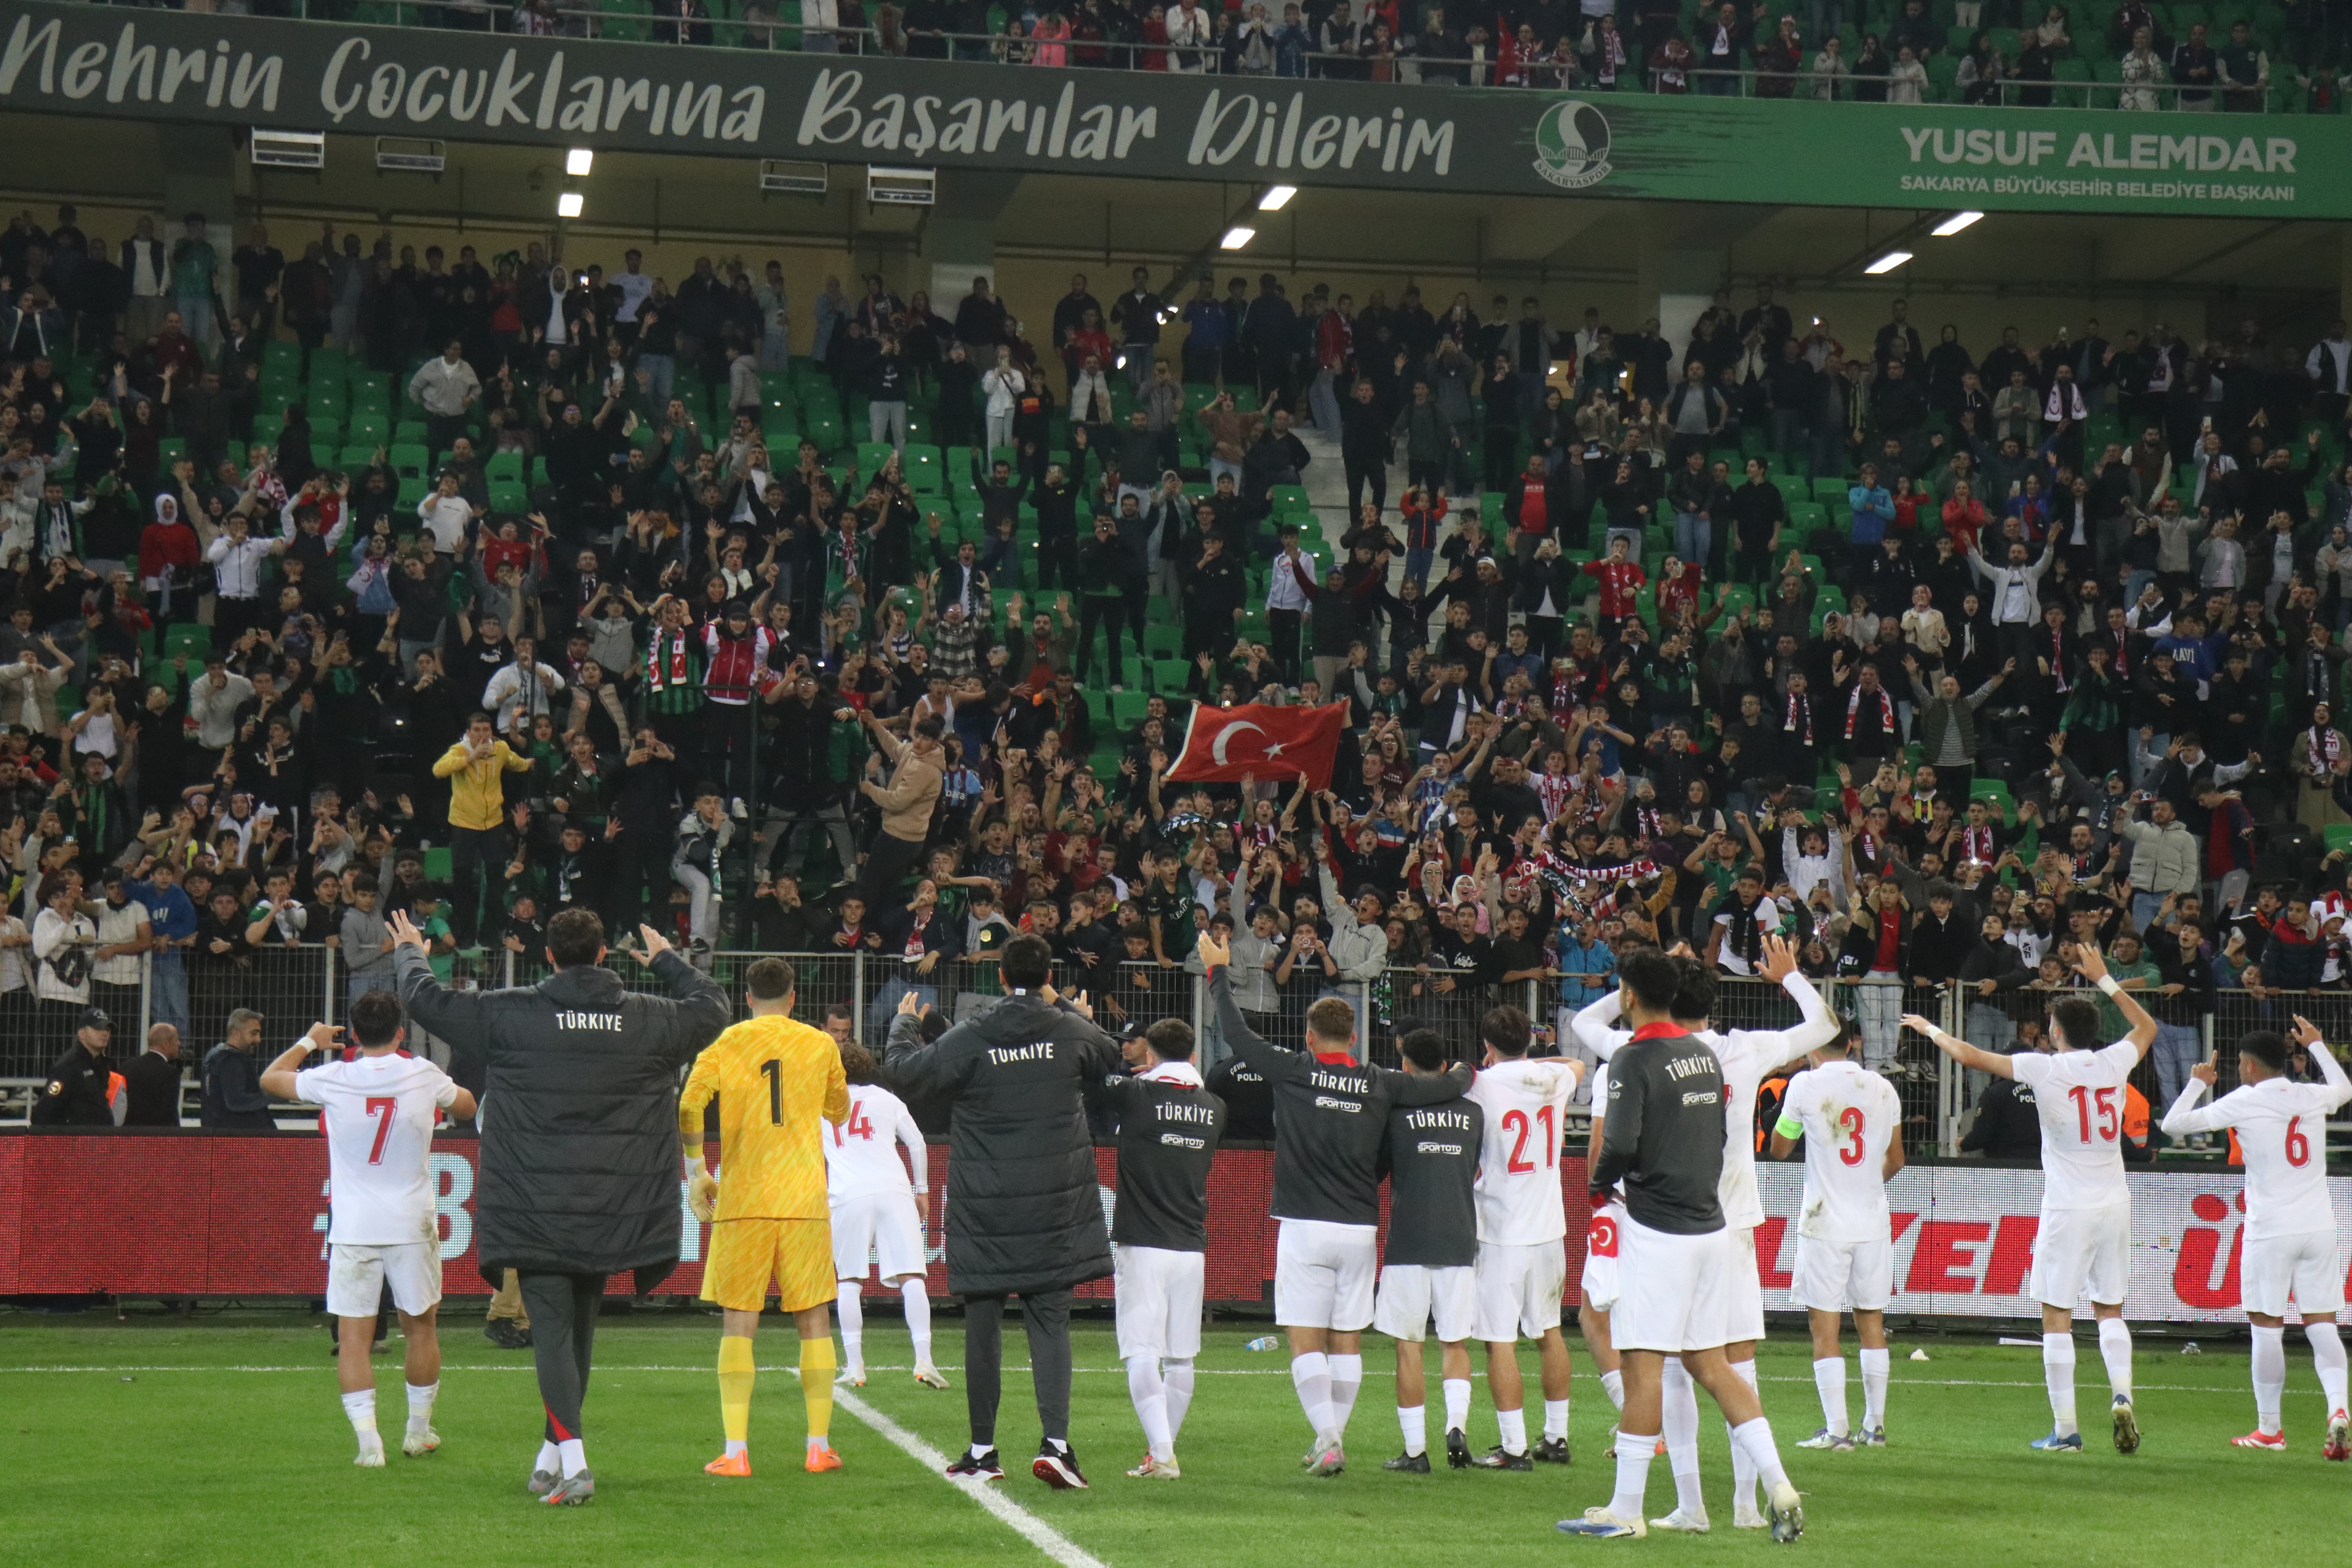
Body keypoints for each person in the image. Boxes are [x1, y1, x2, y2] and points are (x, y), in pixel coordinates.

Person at [390, 906, 728, 1505]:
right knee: (577, 1338)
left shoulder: (510, 1013)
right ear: (604, 955)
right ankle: (551, 1457)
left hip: (536, 1206)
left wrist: (413, 949)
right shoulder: (648, 1018)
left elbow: (424, 999)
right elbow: (714, 1008)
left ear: (549, 956)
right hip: (612, 1207)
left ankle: (575, 1463)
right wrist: (668, 961)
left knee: (552, 1336)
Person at [1572, 933, 1837, 1530]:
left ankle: (1685, 1506)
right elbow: (1823, 1025)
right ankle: (1752, 1500)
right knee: (1727, 1362)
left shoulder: (1634, 1047)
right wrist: (1790, 976)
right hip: (1730, 1223)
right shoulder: (1741, 1050)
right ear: (1712, 1001)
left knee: (1659, 1367)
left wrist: (1640, 979)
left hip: (1662, 1220)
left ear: (1645, 996)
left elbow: (1585, 1023)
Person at [1197, 929, 1472, 1477]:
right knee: (1346, 1338)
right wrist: (1470, 1068)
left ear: (1309, 1035)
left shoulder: (1295, 1070)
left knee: (1304, 1335)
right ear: (1353, 1036)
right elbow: (1444, 1086)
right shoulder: (1381, 1083)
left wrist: (1218, 975)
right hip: (1359, 1229)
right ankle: (1332, 1439)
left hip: (1304, 1224)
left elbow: (1236, 1034)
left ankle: (1328, 1437)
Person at [879, 933, 1124, 1489]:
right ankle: (1057, 1446)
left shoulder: (975, 1035)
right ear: (1047, 978)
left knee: (983, 1326)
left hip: (985, 1207)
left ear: (998, 976)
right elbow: (1115, 1056)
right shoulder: (1068, 1029)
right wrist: (1067, 1007)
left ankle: (983, 1452)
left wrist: (902, 1023)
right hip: (1055, 1205)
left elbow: (904, 1072)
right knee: (1050, 1321)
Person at [1904, 941, 2156, 1455]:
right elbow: (2147, 1028)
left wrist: (1928, 1028)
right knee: (2110, 1310)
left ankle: (2066, 1429)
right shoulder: (2113, 1062)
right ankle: (2123, 1395)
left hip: (2069, 1207)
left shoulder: (2047, 1069)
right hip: (2115, 1202)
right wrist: (2107, 980)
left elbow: (1972, 1056)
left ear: (2056, 1033)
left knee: (2056, 1315)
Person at [258, 994, 475, 1467]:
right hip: (411, 1224)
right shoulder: (420, 1072)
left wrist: (310, 1042)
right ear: (401, 1032)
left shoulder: (334, 1077)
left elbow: (271, 1079)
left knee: (354, 1338)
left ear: (354, 1036)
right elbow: (467, 1104)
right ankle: (417, 1432)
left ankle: (368, 1443)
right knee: (421, 1330)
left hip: (354, 1226)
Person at [678, 956, 851, 1478]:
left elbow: (689, 1106)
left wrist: (696, 1171)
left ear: (747, 998)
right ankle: (818, 1447)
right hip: (802, 1201)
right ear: (794, 998)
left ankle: (736, 1452)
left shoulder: (728, 1044)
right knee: (815, 1319)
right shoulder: (820, 1044)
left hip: (744, 1199)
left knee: (739, 1321)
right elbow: (839, 1110)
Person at [2155, 1019, 2351, 1457]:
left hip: (2271, 1229)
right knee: (2322, 1323)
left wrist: (2196, 1085)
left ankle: (2270, 1430)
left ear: (2247, 1066)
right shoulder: (2311, 1094)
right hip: (2319, 1225)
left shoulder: (2244, 1100)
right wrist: (2318, 1047)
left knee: (2267, 1325)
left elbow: (2173, 1125)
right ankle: (2338, 1410)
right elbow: (2344, 1089)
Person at [1767, 1021, 1904, 1450]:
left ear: (1812, 1047)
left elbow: (1780, 1147)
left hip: (1825, 1223)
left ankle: (1837, 1430)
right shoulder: (1884, 1088)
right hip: (1872, 1222)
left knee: (1824, 1327)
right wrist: (1865, 1185)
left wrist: (1793, 1127)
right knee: (1872, 1323)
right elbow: (1897, 1159)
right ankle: (1875, 1427)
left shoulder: (1805, 1085)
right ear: (1851, 1044)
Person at [1102, 1016, 1226, 1480]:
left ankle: (1163, 1452)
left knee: (1141, 1350)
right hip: (1191, 1247)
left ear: (1150, 1056)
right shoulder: (1216, 1106)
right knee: (1181, 1356)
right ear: (1194, 1057)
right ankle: (1161, 1452)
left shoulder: (1137, 1096)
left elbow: (1095, 1073)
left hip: (1143, 1243)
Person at [1464, 1004, 1583, 1469]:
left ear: (1489, 1047)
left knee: (1499, 1340)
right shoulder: (1553, 1079)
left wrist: (1495, 1065)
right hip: (1550, 1228)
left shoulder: (1481, 1083)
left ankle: (1513, 1447)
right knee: (1549, 1333)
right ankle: (1557, 1436)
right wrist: (1535, 1063)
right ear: (1529, 1042)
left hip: (1500, 1229)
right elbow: (1576, 1064)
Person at [1372, 1025, 1481, 1475]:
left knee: (1409, 1346)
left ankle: (1415, 1451)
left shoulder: (1395, 1114)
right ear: (1444, 1064)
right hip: (1459, 1237)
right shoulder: (1474, 1114)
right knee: (1455, 1341)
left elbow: (1377, 1169)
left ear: (1405, 1067)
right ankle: (1457, 1424)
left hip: (1409, 1240)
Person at [822, 1034, 946, 1392]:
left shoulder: (822, 1105)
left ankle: (855, 1366)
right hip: (894, 1191)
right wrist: (922, 1191)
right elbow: (918, 1143)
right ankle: (924, 1359)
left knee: (849, 1282)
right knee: (913, 1278)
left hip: (848, 1196)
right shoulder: (887, 1099)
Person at [29, 1005, 114, 1126]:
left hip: (93, 1140)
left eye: (107, 1029)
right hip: (75, 1141)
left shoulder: (100, 1064)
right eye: (98, 1029)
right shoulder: (68, 1066)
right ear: (82, 1034)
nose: (105, 1033)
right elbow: (45, 1111)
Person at [201, 1007, 275, 1131]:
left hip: (221, 1135)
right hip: (238, 1138)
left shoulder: (215, 1057)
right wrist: (275, 1096)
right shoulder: (230, 1061)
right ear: (236, 1033)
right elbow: (237, 1102)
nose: (258, 1040)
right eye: (254, 1033)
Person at [121, 1022, 183, 1127]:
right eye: (176, 1040)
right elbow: (169, 1113)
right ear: (166, 1045)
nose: (179, 1044)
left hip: (128, 1136)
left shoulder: (127, 1066)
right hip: (155, 1137)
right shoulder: (170, 1073)